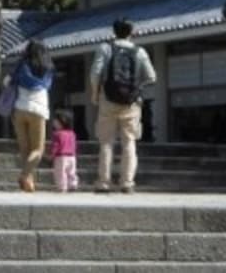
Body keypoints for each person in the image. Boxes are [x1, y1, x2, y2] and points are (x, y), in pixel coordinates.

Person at [89, 18, 157, 193]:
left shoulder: (105, 48)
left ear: (114, 31)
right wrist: (136, 88)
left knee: (106, 142)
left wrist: (95, 94)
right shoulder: (139, 51)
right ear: (131, 32)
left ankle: (104, 182)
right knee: (129, 142)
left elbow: (95, 74)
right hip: (131, 103)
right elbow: (152, 77)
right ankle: (127, 183)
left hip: (107, 99)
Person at [10, 40, 54, 192]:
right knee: (38, 150)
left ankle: (29, 182)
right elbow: (47, 86)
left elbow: (9, 81)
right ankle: (24, 176)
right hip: (38, 109)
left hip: (19, 108)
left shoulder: (21, 65)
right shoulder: (47, 68)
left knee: (25, 150)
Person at [49, 109, 79, 193]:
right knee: (72, 172)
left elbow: (56, 146)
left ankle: (62, 187)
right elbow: (74, 145)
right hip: (72, 157)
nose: (54, 122)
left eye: (55, 120)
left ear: (61, 122)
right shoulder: (72, 133)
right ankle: (73, 185)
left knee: (60, 173)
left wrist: (52, 154)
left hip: (60, 156)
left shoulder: (57, 134)